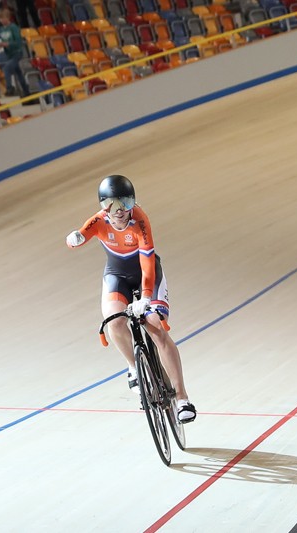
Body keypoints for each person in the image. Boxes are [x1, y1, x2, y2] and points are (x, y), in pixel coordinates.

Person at [66, 175, 197, 423]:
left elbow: (147, 265)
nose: (119, 211)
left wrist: (146, 298)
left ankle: (182, 398)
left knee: (155, 327)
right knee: (114, 322)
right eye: (112, 205)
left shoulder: (140, 221)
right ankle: (133, 367)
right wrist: (74, 239)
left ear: (133, 203)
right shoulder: (98, 220)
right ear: (103, 207)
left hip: (147, 276)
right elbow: (80, 237)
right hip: (117, 277)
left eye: (125, 204)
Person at [0, 7, 29, 97]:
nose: (1, 20)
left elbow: (18, 42)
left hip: (17, 53)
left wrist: (8, 44)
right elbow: (0, 40)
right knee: (18, 73)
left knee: (6, 68)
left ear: (8, 17)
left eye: (3, 18)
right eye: (0, 18)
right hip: (9, 54)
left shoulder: (14, 28)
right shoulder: (0, 30)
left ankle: (9, 88)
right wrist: (0, 45)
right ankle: (26, 92)